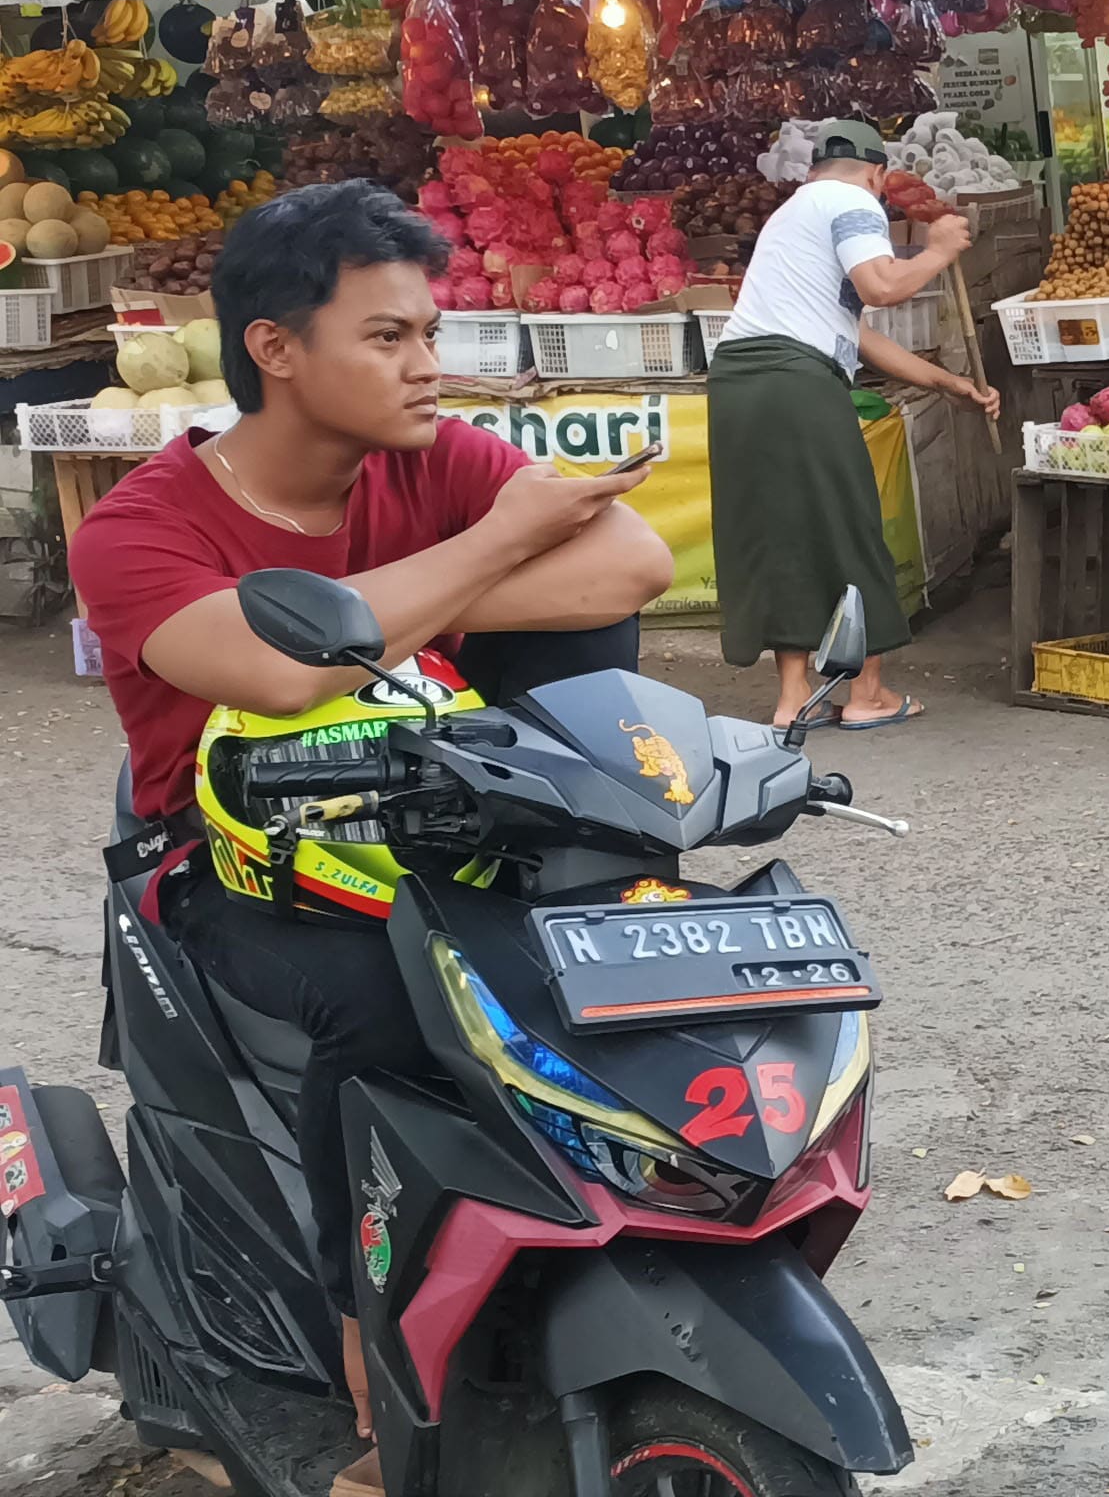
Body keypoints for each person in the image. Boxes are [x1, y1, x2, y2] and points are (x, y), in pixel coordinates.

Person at [67, 180, 675, 1488]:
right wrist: (494, 549)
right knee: (396, 1004)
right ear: (276, 349)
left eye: (429, 333)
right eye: (388, 338)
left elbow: (628, 565)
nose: (426, 367)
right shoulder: (138, 530)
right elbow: (272, 674)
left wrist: (403, 611)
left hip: (434, 813)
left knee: (631, 959)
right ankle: (369, 1361)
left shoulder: (436, 460)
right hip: (231, 863)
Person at [709, 118, 999, 729]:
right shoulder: (853, 200)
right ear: (876, 174)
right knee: (850, 526)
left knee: (779, 534)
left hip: (739, 383)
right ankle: (866, 694)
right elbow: (882, 285)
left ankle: (792, 700)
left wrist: (945, 383)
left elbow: (855, 332)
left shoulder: (792, 212)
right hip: (795, 384)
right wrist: (940, 247)